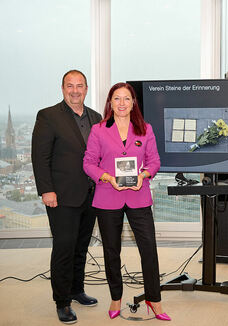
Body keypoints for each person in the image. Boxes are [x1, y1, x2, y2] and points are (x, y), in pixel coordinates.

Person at [83, 83, 170, 321]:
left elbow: (154, 162)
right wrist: (108, 177)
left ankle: (154, 299)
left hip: (138, 196)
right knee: (112, 252)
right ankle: (115, 297)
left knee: (149, 249)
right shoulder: (98, 130)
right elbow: (88, 163)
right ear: (110, 103)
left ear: (133, 103)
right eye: (117, 99)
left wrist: (143, 176)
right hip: (107, 196)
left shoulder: (145, 129)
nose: (122, 103)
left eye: (126, 99)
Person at [32, 70, 101, 324]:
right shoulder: (48, 116)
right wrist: (46, 190)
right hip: (60, 196)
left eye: (79, 86)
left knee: (81, 247)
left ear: (86, 88)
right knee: (64, 248)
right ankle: (62, 302)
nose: (75, 90)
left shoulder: (96, 117)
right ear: (63, 89)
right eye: (70, 86)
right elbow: (40, 157)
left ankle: (76, 289)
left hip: (92, 194)